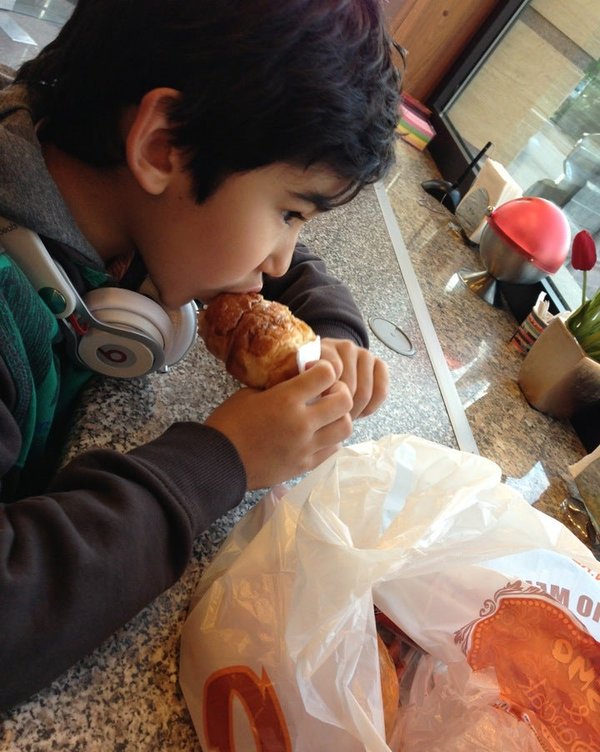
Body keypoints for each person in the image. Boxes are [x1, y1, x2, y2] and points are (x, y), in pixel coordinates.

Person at [0, 0, 400, 709]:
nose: (281, 262)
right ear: (161, 147)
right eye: (290, 212)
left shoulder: (111, 192)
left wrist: (335, 334)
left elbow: (283, 262)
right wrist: (220, 460)